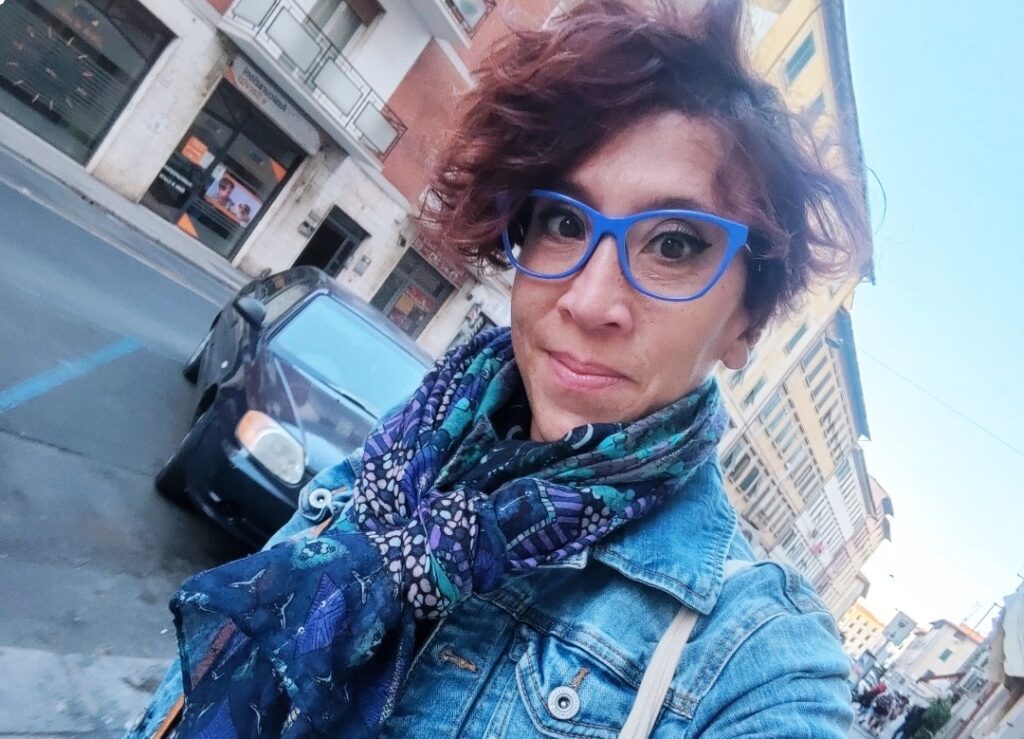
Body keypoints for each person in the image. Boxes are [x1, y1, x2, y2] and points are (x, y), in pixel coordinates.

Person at [128, 1, 869, 736]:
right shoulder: (411, 454)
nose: (589, 301)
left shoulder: (752, 656)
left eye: (674, 244)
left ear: (746, 324)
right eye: (565, 221)